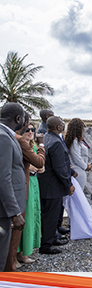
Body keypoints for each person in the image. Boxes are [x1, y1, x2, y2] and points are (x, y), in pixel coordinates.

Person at [3, 108, 36, 271]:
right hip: (6, 210)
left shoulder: (8, 135)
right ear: (18, 118)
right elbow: (3, 177)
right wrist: (14, 212)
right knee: (3, 259)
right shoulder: (4, 137)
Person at [38, 116, 73, 256]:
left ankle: (51, 238)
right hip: (53, 186)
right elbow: (60, 167)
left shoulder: (47, 137)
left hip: (47, 184)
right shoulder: (56, 142)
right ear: (58, 127)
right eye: (62, 124)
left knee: (49, 215)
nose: (63, 126)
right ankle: (46, 245)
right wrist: (68, 184)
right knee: (50, 216)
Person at [65, 118, 91, 192]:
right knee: (78, 195)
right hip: (77, 170)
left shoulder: (77, 140)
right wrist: (86, 166)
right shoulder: (74, 141)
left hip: (80, 169)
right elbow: (76, 157)